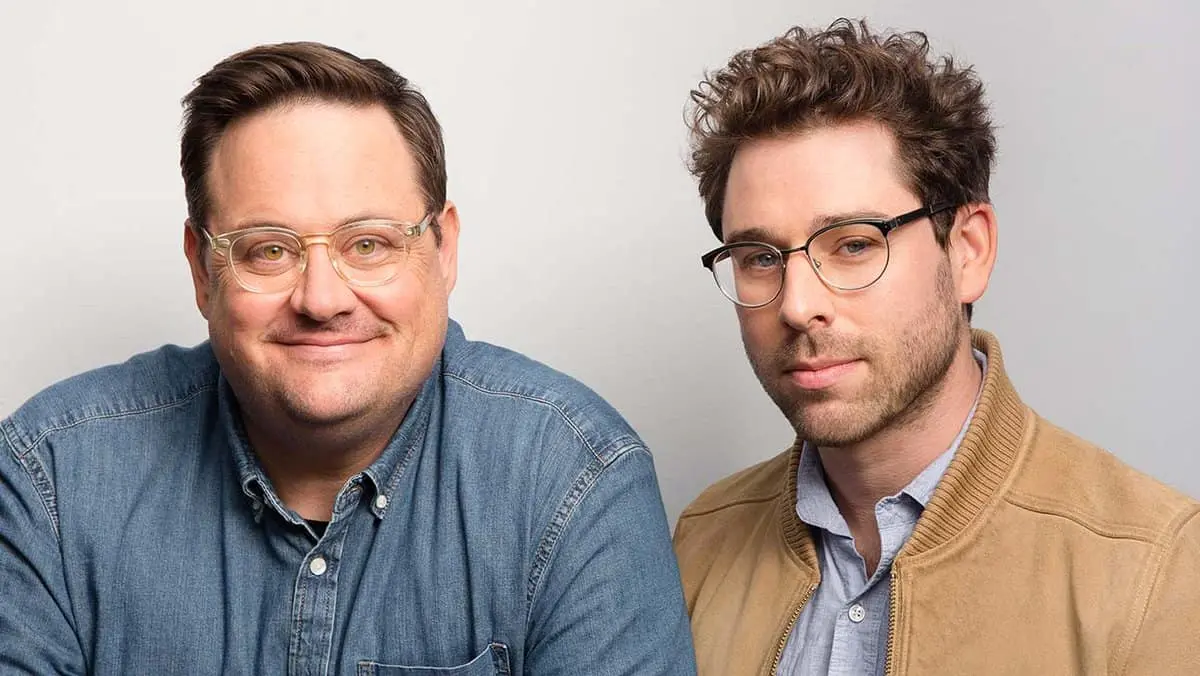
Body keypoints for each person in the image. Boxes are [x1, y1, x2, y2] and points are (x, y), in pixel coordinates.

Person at [0, 41, 695, 675]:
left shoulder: (575, 481)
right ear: (203, 271)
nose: (323, 299)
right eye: (268, 249)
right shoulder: (50, 480)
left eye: (369, 243)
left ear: (443, 250)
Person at [672, 18, 1200, 675]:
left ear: (968, 252)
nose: (798, 304)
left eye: (855, 243)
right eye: (758, 256)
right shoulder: (700, 541)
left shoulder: (1155, 565)